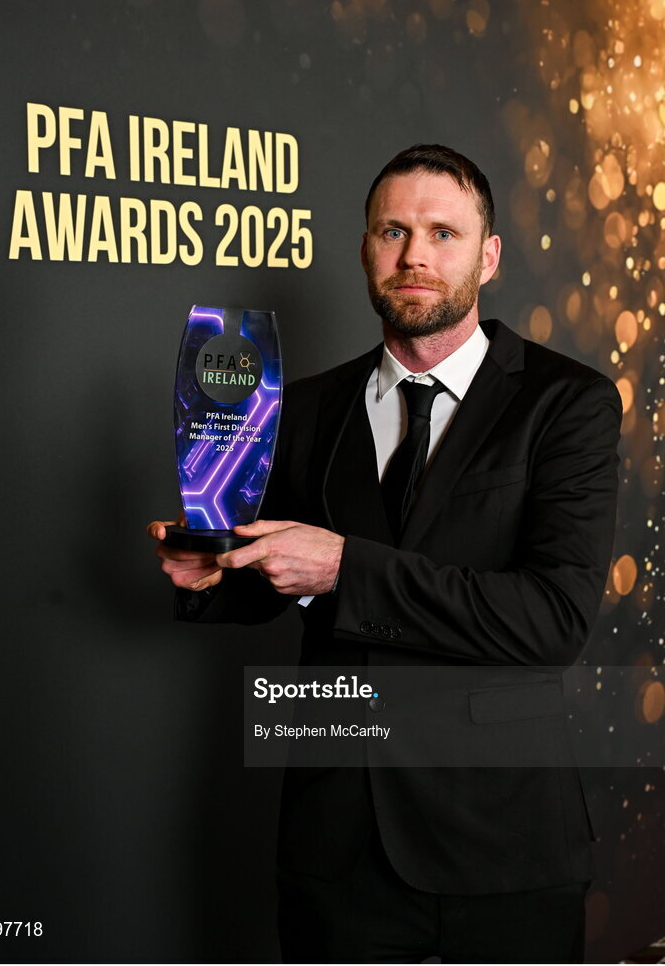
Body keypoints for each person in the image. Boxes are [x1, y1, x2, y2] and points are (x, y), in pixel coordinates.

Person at [148, 144, 622, 964]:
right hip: (336, 844)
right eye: (393, 231)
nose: (415, 256)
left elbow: (554, 619)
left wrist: (343, 569)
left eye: (444, 232)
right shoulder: (302, 407)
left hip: (502, 842)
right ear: (366, 247)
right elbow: (280, 578)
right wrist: (211, 579)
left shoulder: (566, 403)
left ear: (489, 254)